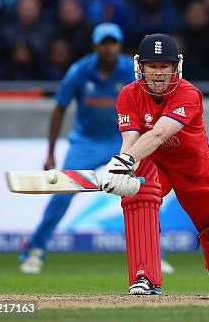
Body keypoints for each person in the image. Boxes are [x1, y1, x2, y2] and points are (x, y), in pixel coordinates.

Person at [99, 33, 209, 295]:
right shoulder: (128, 95)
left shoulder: (189, 93)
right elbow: (131, 139)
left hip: (191, 167)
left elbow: (160, 133)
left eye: (165, 66)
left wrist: (125, 160)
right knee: (137, 197)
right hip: (153, 162)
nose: (158, 73)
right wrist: (121, 169)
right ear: (140, 66)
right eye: (152, 66)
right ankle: (145, 277)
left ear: (176, 67)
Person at [19, 23, 175, 275]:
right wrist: (50, 152)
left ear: (120, 45)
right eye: (104, 43)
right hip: (85, 142)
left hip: (125, 139)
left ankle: (155, 253)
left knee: (144, 194)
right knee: (62, 193)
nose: (109, 48)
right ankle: (34, 251)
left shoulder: (131, 70)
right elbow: (59, 108)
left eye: (113, 42)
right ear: (95, 46)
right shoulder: (79, 71)